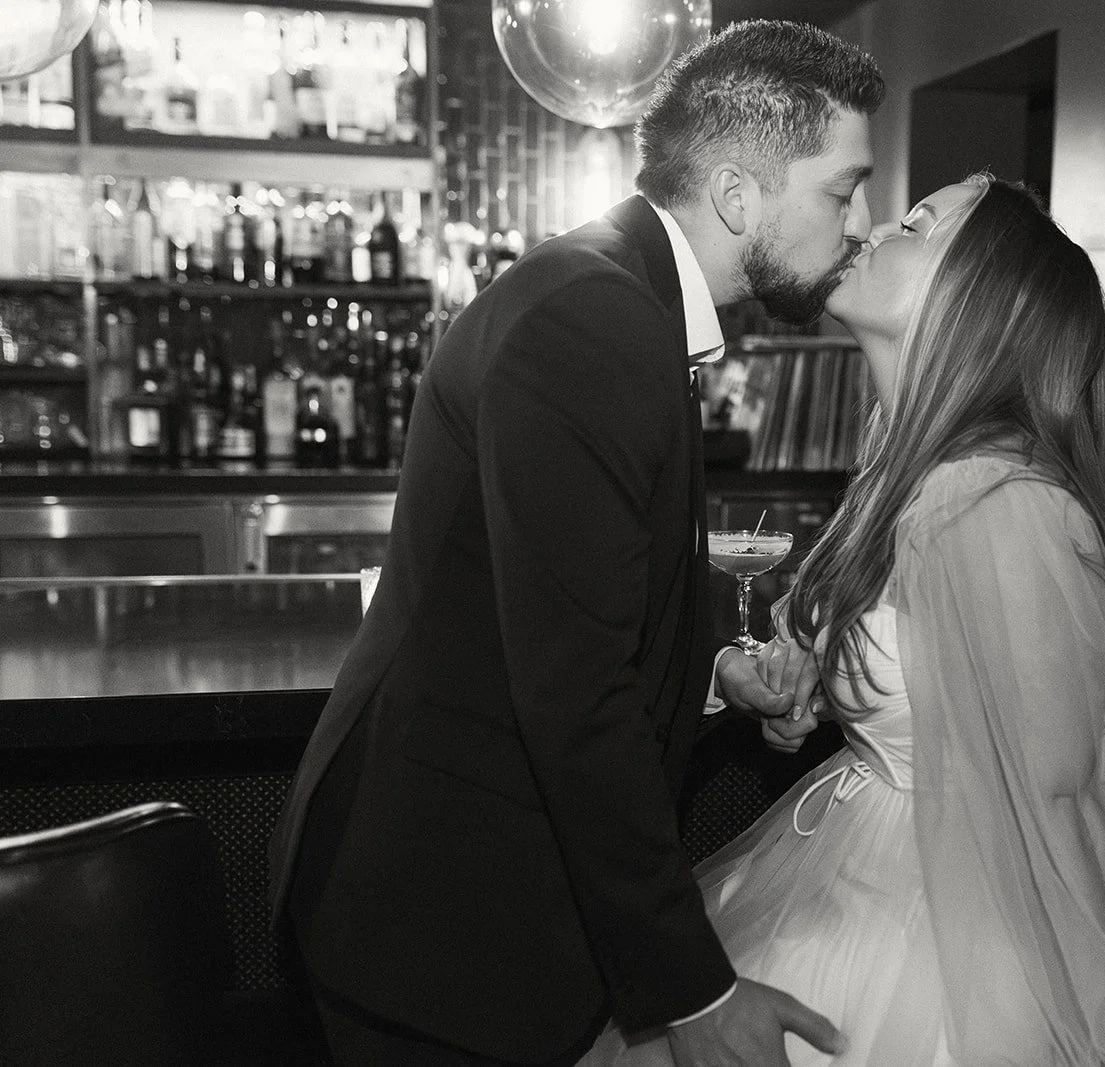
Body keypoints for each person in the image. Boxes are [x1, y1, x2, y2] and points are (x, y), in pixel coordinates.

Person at [267, 21, 883, 1066]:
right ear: (739, 195)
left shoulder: (613, 295)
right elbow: (572, 688)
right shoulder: (592, 319)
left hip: (469, 910)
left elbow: (577, 601)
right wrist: (694, 992)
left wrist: (718, 667)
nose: (861, 222)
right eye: (843, 188)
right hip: (433, 923)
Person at [580, 176, 1105, 1065]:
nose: (875, 227)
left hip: (950, 929)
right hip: (850, 861)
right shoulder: (901, 469)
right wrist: (798, 686)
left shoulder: (994, 496)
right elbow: (927, 673)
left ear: (973, 301)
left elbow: (1056, 770)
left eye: (917, 224)